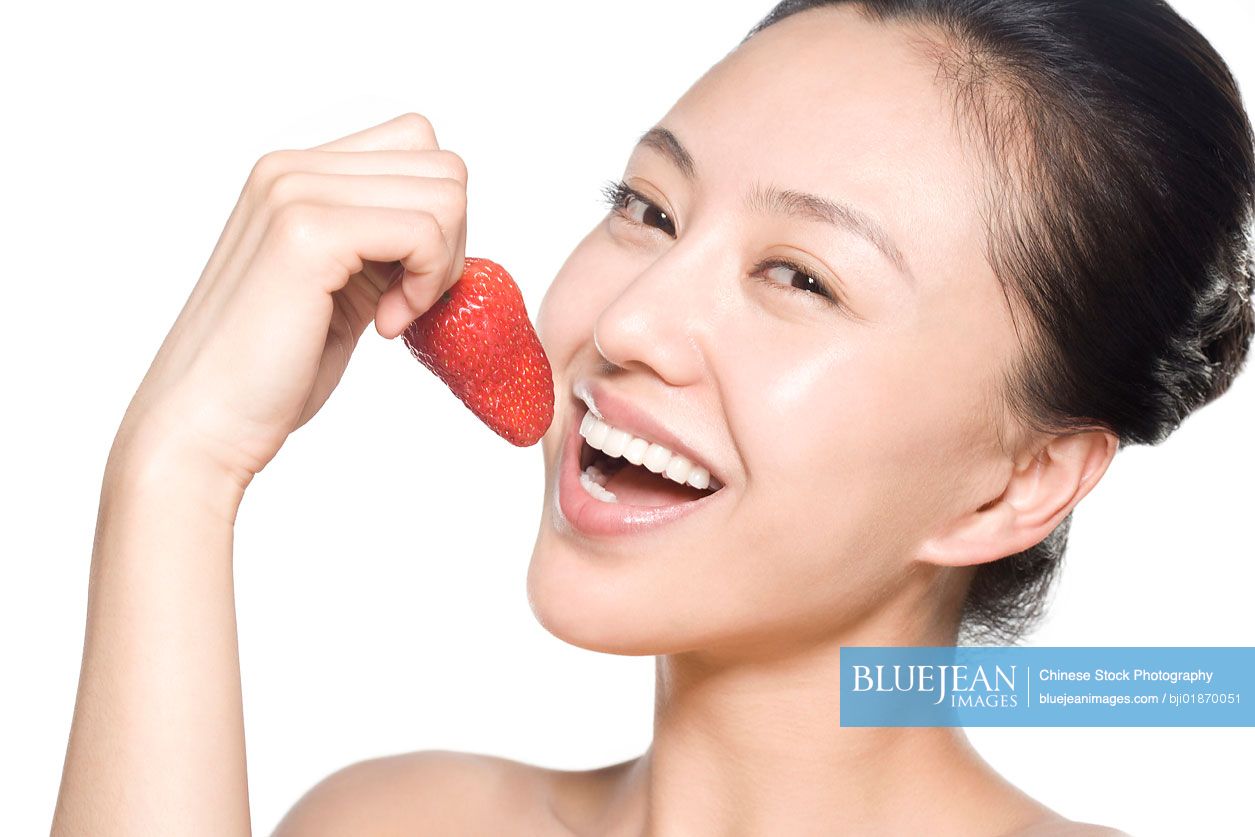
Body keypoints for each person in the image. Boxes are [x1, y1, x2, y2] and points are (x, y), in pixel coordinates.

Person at [53, 0, 1252, 834]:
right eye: (649, 207)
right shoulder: (391, 822)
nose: (624, 322)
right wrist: (179, 467)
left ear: (1014, 485)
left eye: (800, 276)